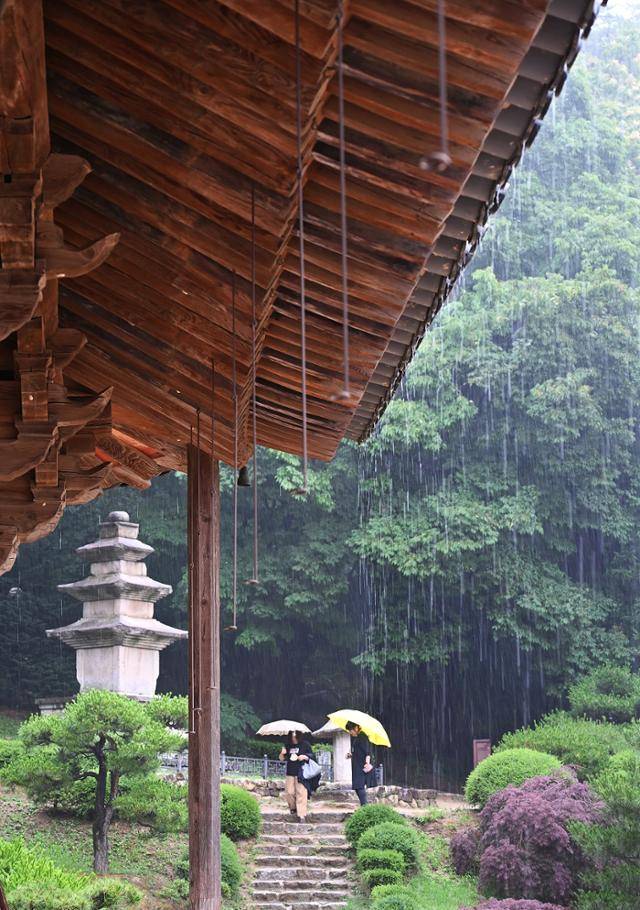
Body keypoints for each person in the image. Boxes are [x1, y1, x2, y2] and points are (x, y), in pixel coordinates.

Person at [280, 730, 312, 822]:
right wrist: (282, 753)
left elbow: (311, 755)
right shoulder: (288, 745)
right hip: (290, 772)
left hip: (301, 772)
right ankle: (293, 808)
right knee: (289, 792)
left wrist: (305, 757)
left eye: (295, 736)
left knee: (301, 793)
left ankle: (302, 815)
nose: (293, 738)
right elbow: (281, 759)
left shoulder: (305, 744)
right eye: (292, 736)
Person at [346, 721, 374, 806]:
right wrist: (351, 755)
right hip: (357, 765)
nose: (350, 732)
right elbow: (359, 751)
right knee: (358, 786)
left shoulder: (362, 736)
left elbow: (367, 751)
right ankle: (364, 806)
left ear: (356, 728)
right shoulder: (357, 738)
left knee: (359, 786)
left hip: (362, 766)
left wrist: (367, 763)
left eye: (350, 730)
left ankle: (365, 807)